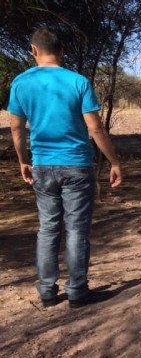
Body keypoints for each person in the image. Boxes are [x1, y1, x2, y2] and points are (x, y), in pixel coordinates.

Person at [7, 28, 123, 309]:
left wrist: (23, 160)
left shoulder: (21, 83)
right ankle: (77, 292)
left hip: (43, 165)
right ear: (61, 51)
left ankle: (47, 291)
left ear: (33, 50)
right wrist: (114, 161)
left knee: (47, 229)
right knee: (76, 230)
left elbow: (16, 127)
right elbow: (95, 128)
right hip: (76, 166)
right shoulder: (78, 82)